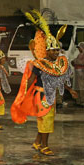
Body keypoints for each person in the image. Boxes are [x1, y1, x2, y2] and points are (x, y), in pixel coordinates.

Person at [11, 11, 77, 156]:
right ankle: (44, 146)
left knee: (46, 121)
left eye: (57, 50)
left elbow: (58, 79)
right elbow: (31, 80)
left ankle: (37, 142)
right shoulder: (39, 64)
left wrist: (69, 90)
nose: (55, 53)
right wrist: (23, 95)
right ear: (46, 51)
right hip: (41, 96)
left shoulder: (55, 65)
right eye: (53, 50)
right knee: (45, 121)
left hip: (50, 97)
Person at [71, 42, 84, 106]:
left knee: (81, 87)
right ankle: (78, 101)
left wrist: (75, 61)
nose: (79, 49)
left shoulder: (82, 54)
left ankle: (82, 101)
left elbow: (80, 62)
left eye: (79, 48)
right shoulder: (80, 54)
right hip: (78, 72)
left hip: (81, 73)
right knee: (78, 87)